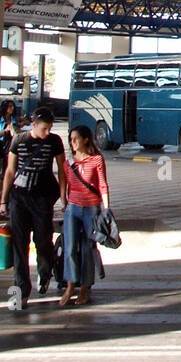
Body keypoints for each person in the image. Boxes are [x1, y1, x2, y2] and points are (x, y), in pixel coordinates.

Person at [0, 105, 66, 309]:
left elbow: (62, 170)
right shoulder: (19, 141)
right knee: (19, 245)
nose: (47, 133)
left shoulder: (54, 141)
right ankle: (21, 292)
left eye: (50, 128)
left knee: (43, 240)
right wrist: (3, 200)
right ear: (34, 125)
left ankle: (45, 274)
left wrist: (63, 195)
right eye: (44, 128)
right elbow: (10, 172)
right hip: (19, 198)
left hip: (43, 198)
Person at [61, 124, 110, 307]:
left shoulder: (96, 160)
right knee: (70, 247)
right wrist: (63, 202)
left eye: (76, 139)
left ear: (85, 139)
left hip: (91, 208)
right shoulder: (69, 162)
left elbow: (103, 185)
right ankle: (70, 285)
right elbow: (65, 184)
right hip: (73, 208)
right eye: (71, 139)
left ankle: (85, 287)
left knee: (89, 248)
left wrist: (106, 209)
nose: (73, 143)